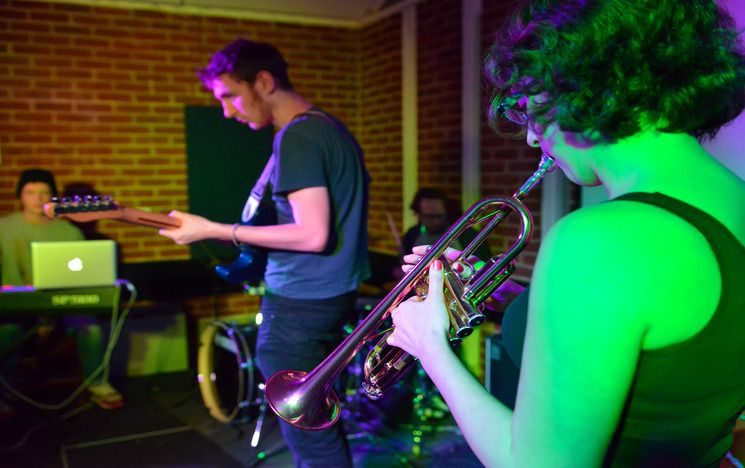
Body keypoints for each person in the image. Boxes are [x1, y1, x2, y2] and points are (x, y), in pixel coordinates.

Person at [388, 1, 745, 466]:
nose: (534, 138)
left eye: (530, 104)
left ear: (579, 87)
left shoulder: (599, 241)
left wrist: (429, 344)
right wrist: (513, 296)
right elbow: (666, 337)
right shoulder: (730, 197)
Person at [158, 39, 370, 467]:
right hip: (329, 298)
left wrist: (216, 229)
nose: (227, 111)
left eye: (230, 96)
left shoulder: (298, 137)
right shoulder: (330, 129)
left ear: (264, 82)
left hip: (299, 307)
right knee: (318, 425)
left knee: (313, 439)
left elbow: (313, 234)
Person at [0, 169, 123, 410]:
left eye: (44, 192)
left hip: (64, 302)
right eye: (30, 192)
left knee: (91, 329)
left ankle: (97, 384)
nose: (37, 199)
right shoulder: (5, 228)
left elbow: (80, 275)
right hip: (17, 305)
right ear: (21, 196)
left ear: (52, 196)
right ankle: (5, 393)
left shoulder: (69, 232)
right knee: (7, 333)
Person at [401, 187, 491, 263]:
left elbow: (483, 266)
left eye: (439, 216)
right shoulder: (412, 235)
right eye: (430, 217)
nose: (435, 222)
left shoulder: (467, 235)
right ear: (418, 214)